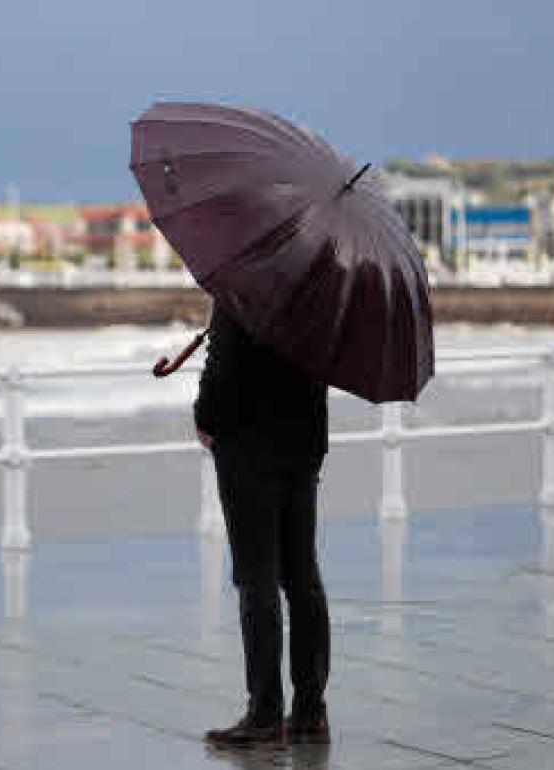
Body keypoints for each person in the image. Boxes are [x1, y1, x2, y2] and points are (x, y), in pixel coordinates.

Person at [195, 302, 331, 749]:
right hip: (303, 440)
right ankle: (310, 712)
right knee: (302, 576)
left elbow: (224, 368)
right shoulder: (321, 286)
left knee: (257, 579)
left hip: (249, 447)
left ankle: (265, 714)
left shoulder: (241, 287)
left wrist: (205, 418)